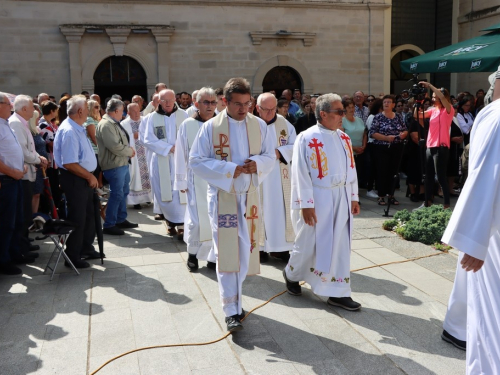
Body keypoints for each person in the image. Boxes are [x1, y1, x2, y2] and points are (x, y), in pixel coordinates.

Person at [190, 77, 275, 332]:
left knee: (245, 252)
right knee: (227, 254)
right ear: (224, 101)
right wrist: (228, 170)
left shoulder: (259, 125)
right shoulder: (210, 128)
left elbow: (270, 155)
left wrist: (257, 165)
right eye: (237, 104)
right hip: (224, 198)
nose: (243, 109)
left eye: (247, 103)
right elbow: (196, 160)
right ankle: (230, 310)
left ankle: (237, 300)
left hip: (249, 198)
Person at [441, 76, 500, 373]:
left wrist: (473, 238)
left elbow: (486, 175)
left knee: (492, 312)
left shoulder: (495, 114)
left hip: (493, 231)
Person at [283, 93, 362, 311]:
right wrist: (306, 204)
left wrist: (354, 197)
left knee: (339, 245)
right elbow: (300, 173)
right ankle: (291, 273)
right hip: (318, 199)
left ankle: (337, 292)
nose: (343, 116)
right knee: (308, 242)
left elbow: (351, 169)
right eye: (339, 112)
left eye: (343, 111)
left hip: (342, 198)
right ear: (323, 114)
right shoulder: (307, 138)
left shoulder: (344, 138)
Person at [53, 95, 100, 267]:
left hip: (83, 178)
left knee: (89, 215)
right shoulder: (69, 131)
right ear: (80, 111)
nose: (88, 112)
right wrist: (89, 176)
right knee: (78, 217)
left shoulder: (77, 127)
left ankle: (85, 247)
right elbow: (69, 162)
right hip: (76, 179)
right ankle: (72, 255)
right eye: (87, 109)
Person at [173, 87, 217, 271]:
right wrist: (181, 181)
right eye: (206, 102)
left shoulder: (220, 123)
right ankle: (193, 254)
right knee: (196, 221)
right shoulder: (187, 125)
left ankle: (213, 257)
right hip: (195, 179)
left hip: (216, 179)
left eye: (213, 102)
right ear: (196, 104)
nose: (210, 106)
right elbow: (181, 154)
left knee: (214, 219)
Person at [256, 92, 296, 263]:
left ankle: (280, 248)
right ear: (258, 108)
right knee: (257, 210)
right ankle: (259, 248)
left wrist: (280, 152)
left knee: (280, 211)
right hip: (257, 176)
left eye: (273, 109)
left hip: (280, 176)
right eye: (266, 110)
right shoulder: (249, 125)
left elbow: (295, 145)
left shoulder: (285, 124)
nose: (271, 113)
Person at [143, 89, 188, 235]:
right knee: (164, 192)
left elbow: (190, 135)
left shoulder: (184, 115)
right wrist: (168, 148)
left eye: (170, 100)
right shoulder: (152, 118)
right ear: (159, 102)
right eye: (164, 100)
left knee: (180, 193)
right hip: (161, 159)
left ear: (176, 99)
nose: (167, 103)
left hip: (180, 161)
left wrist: (180, 149)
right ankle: (170, 222)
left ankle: (181, 225)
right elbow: (147, 139)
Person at [9, 95, 48, 255]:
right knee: (23, 214)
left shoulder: (21, 123)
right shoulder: (16, 123)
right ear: (24, 109)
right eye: (32, 106)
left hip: (29, 174)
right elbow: (23, 152)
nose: (34, 109)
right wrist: (38, 159)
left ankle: (24, 243)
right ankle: (21, 247)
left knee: (26, 214)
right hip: (23, 175)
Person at [96, 98, 138, 235]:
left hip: (121, 163)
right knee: (116, 194)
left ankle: (120, 219)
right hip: (114, 165)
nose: (123, 114)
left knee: (123, 192)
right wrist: (129, 151)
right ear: (115, 111)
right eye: (122, 111)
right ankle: (109, 224)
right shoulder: (106, 125)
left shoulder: (113, 122)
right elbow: (114, 146)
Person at [413, 83, 454, 209]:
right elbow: (416, 116)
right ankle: (427, 203)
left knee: (441, 177)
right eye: (433, 97)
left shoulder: (448, 109)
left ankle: (446, 205)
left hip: (441, 147)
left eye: (435, 97)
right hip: (430, 146)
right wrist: (418, 103)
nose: (433, 98)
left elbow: (442, 98)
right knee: (428, 177)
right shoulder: (433, 110)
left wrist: (429, 85)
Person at [0, 92, 28, 275]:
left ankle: (14, 252)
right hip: (6, 180)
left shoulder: (5, 124)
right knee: (6, 223)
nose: (11, 106)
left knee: (17, 220)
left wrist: (20, 167)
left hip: (15, 179)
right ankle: (3, 260)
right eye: (8, 103)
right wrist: (12, 171)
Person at [369, 95, 408, 205]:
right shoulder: (378, 117)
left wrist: (403, 134)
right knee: (382, 171)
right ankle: (381, 196)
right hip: (381, 147)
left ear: (393, 105)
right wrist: (386, 138)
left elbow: (405, 130)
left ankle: (391, 195)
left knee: (394, 172)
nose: (386, 104)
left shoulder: (398, 116)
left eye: (389, 102)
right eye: (384, 102)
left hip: (396, 147)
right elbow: (372, 133)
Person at [121, 103, 152, 208]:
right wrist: (132, 136)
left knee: (148, 175)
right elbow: (122, 139)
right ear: (128, 112)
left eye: (138, 111)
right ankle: (136, 202)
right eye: (133, 111)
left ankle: (148, 198)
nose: (136, 113)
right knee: (135, 177)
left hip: (146, 153)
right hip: (134, 156)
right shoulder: (124, 124)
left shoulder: (145, 120)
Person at [342, 98, 367, 189]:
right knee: (349, 175)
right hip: (348, 152)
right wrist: (354, 148)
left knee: (358, 174)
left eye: (352, 107)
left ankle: (356, 194)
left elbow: (364, 134)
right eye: (349, 107)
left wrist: (364, 145)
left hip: (360, 152)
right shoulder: (342, 121)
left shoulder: (359, 120)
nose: (351, 109)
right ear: (344, 109)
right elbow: (341, 139)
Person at [365, 98, 383, 198]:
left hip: (379, 145)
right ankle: (370, 188)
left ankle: (376, 188)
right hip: (373, 144)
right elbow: (372, 132)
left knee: (377, 168)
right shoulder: (372, 117)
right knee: (372, 167)